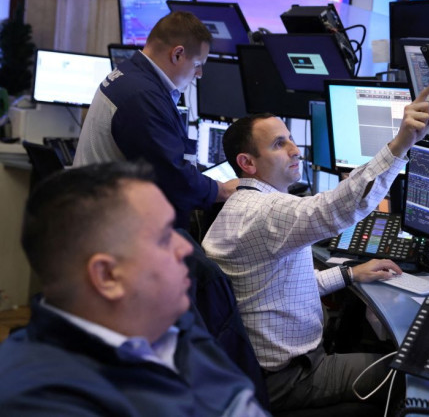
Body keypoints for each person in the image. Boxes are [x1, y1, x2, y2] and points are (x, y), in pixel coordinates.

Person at [202, 83, 429, 411]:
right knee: (410, 373)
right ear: (248, 162)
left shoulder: (246, 207)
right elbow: (335, 209)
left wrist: (349, 273)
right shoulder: (263, 212)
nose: (295, 150)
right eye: (278, 144)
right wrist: (401, 145)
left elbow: (284, 289)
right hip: (293, 378)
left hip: (265, 371)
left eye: (290, 139)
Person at [0, 161, 269, 416]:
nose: (186, 248)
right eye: (164, 237)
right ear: (107, 276)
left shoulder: (169, 321)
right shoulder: (42, 401)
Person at [73, 11, 239, 229]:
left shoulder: (130, 74)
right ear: (178, 54)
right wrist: (224, 190)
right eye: (198, 64)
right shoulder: (142, 95)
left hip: (100, 212)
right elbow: (172, 176)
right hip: (110, 225)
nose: (199, 74)